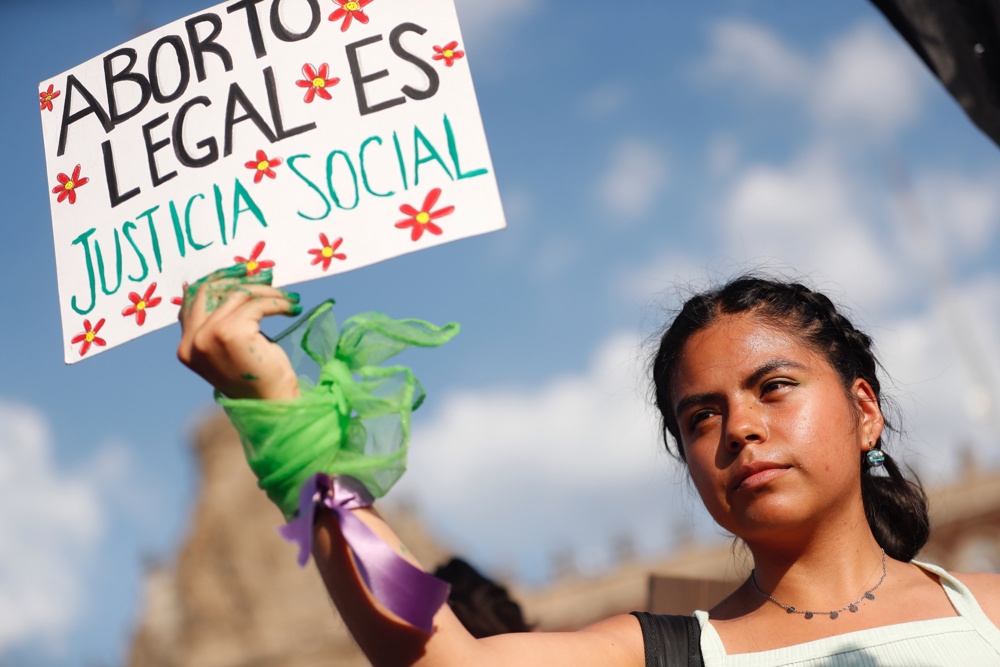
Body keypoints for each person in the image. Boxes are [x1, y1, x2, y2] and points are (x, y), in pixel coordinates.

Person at [177, 271, 1000, 666]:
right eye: (699, 416)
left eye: (774, 387)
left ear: (865, 410)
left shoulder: (987, 609)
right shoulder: (665, 653)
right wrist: (289, 425)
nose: (740, 428)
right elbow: (442, 657)